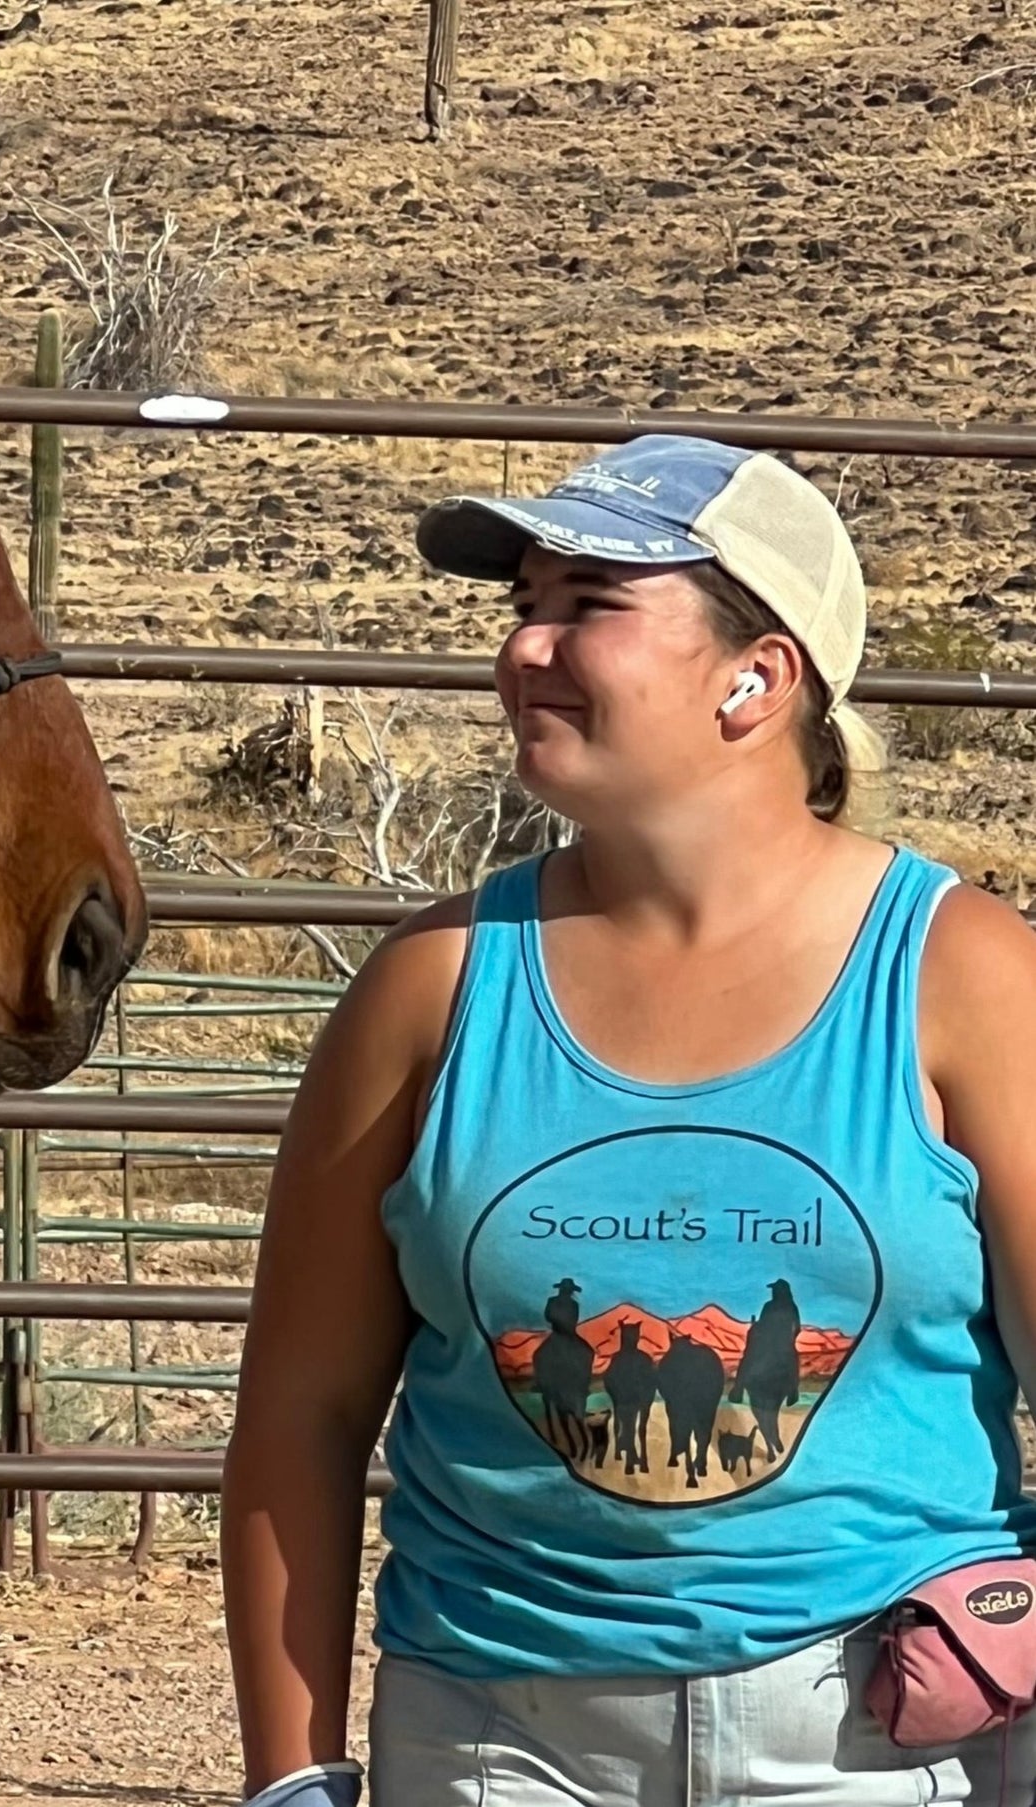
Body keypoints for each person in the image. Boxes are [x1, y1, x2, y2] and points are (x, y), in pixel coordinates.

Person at [220, 434, 1036, 1805]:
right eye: (521, 605)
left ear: (754, 678)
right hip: (493, 1741)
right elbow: (300, 1414)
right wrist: (290, 1781)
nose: (525, 648)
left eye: (585, 605)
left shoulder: (965, 979)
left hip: (885, 1736)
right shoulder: (429, 992)